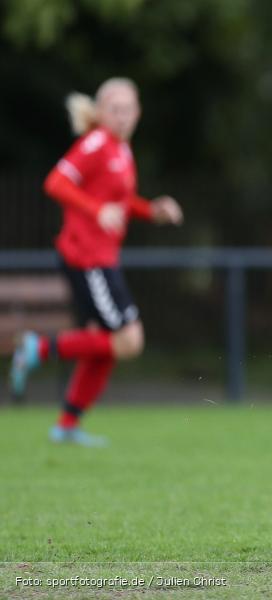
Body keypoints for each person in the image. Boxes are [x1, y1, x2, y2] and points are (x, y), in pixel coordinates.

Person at [8, 78, 183, 446]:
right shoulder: (96, 143)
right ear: (101, 112)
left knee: (105, 343)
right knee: (129, 341)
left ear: (137, 113)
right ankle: (36, 349)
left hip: (100, 257)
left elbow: (118, 199)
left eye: (128, 110)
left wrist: (151, 210)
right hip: (88, 257)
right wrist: (96, 209)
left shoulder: (121, 148)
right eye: (114, 109)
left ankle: (67, 425)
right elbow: (55, 182)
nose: (121, 117)